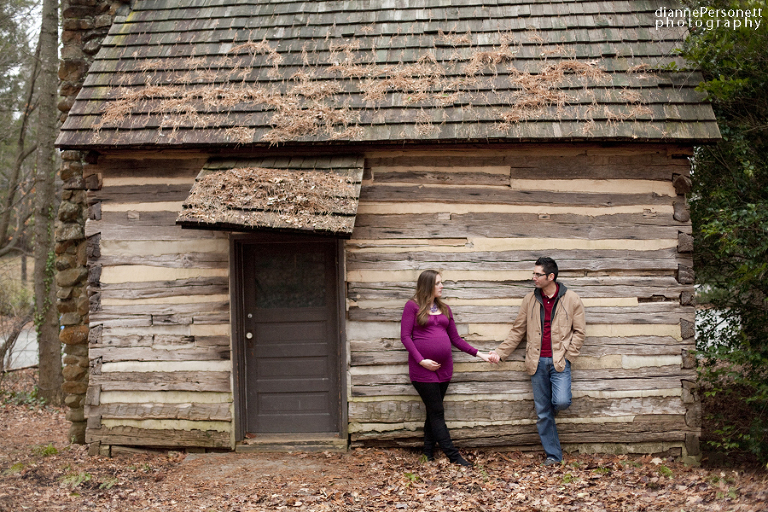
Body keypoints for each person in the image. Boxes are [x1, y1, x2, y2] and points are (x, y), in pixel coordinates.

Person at [488, 257, 585, 465]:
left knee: (560, 402)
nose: (534, 278)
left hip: (560, 361)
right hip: (536, 362)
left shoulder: (572, 299)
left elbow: (579, 332)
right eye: (534, 274)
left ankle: (550, 421)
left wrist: (569, 355)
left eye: (538, 274)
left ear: (551, 277)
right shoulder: (530, 300)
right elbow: (518, 331)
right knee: (542, 413)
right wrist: (500, 352)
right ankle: (554, 456)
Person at [401, 269, 494, 466]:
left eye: (441, 282)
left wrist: (480, 354)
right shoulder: (412, 306)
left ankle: (428, 453)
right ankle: (454, 456)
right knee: (437, 412)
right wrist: (421, 360)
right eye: (438, 283)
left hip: (444, 369)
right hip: (422, 369)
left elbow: (456, 339)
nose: (442, 286)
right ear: (427, 286)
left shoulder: (445, 308)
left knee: (432, 411)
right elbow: (405, 337)